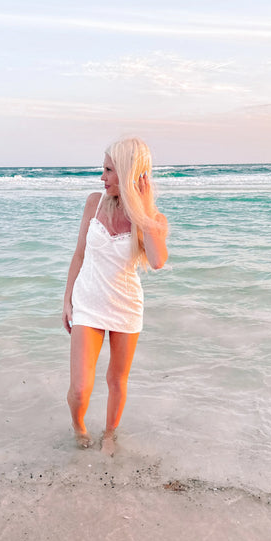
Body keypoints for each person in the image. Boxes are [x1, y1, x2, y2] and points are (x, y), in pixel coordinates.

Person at [62, 137, 168, 456]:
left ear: (127, 172)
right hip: (87, 304)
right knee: (80, 388)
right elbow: (79, 255)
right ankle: (79, 426)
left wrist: (145, 210)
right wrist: (67, 300)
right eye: (103, 169)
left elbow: (157, 261)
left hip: (125, 307)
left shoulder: (151, 220)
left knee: (116, 380)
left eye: (109, 170)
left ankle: (110, 433)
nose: (102, 177)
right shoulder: (93, 202)